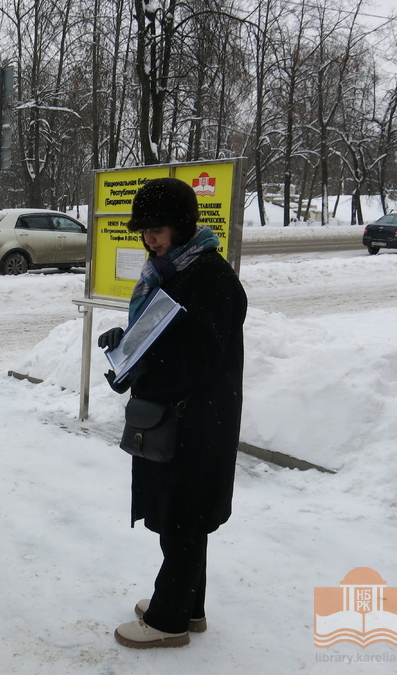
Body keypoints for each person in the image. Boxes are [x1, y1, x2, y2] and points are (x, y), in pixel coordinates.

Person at [97, 177, 247, 649]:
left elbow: (199, 358)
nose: (149, 239)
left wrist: (145, 367)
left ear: (181, 226)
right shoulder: (174, 271)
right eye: (144, 230)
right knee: (184, 516)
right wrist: (127, 347)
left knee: (183, 519)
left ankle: (168, 620)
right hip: (183, 415)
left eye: (157, 229)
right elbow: (168, 334)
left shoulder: (210, 277)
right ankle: (189, 606)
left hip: (197, 420)